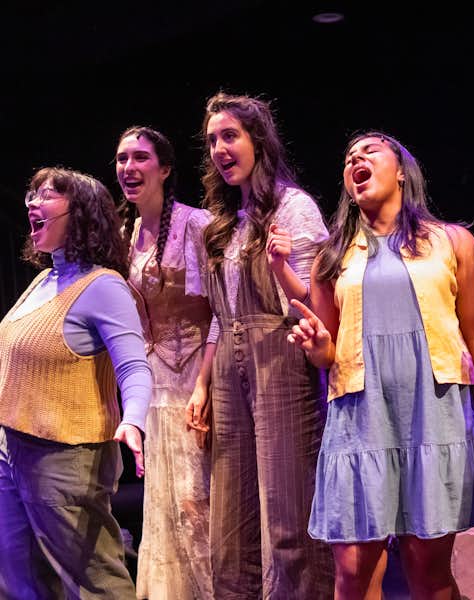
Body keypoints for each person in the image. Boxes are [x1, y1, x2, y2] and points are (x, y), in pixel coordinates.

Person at [287, 131, 474, 600]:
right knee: (353, 571)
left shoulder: (453, 242)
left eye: (370, 151)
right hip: (362, 419)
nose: (355, 160)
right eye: (348, 158)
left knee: (429, 572)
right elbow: (326, 351)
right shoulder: (332, 258)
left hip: (434, 412)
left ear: (402, 170)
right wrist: (317, 345)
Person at [186, 92, 334, 598]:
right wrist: (202, 385)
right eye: (211, 141)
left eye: (230, 136)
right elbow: (216, 317)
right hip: (227, 361)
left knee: (289, 516)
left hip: (280, 356)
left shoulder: (294, 208)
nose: (219, 149)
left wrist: (279, 265)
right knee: (229, 522)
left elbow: (316, 300)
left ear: (258, 142)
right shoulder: (221, 226)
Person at [0, 167, 152, 598]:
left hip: (65, 456)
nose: (32, 202)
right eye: (31, 193)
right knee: (18, 579)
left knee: (94, 582)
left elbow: (135, 367)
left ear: (82, 212)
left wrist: (134, 420)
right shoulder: (42, 280)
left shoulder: (103, 286)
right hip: (11, 450)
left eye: (46, 195)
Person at [116, 126, 215, 599]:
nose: (128, 168)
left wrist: (207, 385)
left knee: (200, 503)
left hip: (201, 374)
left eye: (140, 157)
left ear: (166, 168)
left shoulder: (198, 225)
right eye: (121, 159)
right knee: (164, 505)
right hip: (154, 383)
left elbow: (223, 309)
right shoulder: (125, 234)